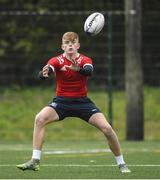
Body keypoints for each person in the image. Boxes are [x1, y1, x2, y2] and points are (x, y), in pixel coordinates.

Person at [17, 32, 131, 173]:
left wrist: (78, 69)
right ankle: (35, 161)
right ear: (62, 46)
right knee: (40, 118)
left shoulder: (84, 59)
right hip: (61, 102)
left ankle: (121, 163)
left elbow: (89, 71)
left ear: (78, 45)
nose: (70, 45)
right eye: (67, 43)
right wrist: (44, 73)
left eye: (73, 42)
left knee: (107, 129)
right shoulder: (56, 60)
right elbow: (47, 71)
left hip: (82, 103)